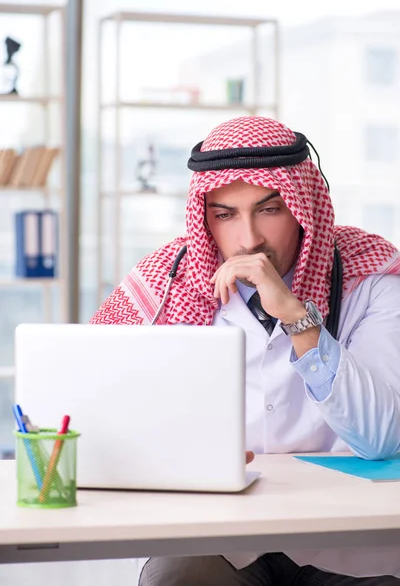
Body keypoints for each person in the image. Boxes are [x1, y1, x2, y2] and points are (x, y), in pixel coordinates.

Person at [91, 115, 400, 585]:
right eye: (225, 215)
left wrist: (296, 315)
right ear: (204, 216)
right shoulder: (167, 282)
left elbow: (381, 437)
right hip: (215, 534)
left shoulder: (370, 279)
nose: (249, 239)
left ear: (303, 207)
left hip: (347, 541)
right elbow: (98, 413)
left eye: (269, 209)